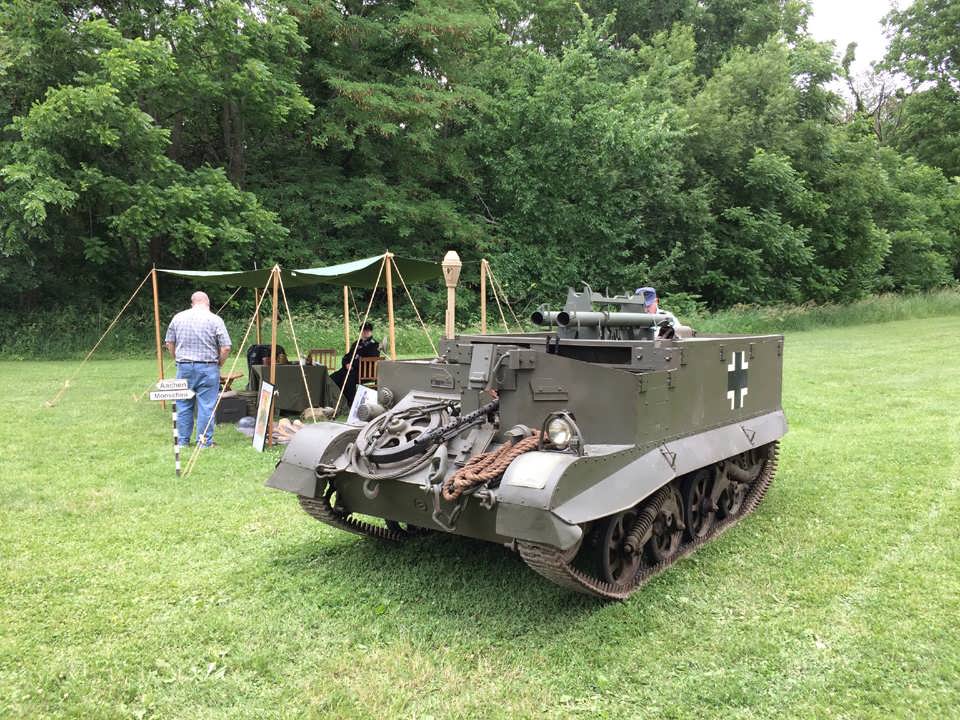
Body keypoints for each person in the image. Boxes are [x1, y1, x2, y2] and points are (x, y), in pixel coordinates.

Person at [164, 291, 232, 448]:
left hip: (184, 367)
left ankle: (182, 441)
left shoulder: (178, 317)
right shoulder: (215, 319)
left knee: (183, 405)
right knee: (206, 406)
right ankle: (204, 442)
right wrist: (219, 364)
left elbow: (169, 343)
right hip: (208, 367)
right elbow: (226, 347)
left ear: (192, 303)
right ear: (207, 303)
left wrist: (177, 359)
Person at [330, 321, 381, 406]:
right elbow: (347, 356)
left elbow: (371, 358)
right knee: (333, 378)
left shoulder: (375, 345)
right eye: (363, 330)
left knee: (348, 379)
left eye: (368, 330)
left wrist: (353, 365)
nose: (365, 332)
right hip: (349, 369)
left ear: (371, 332)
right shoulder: (356, 343)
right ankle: (337, 401)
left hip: (364, 371)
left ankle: (351, 403)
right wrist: (346, 364)